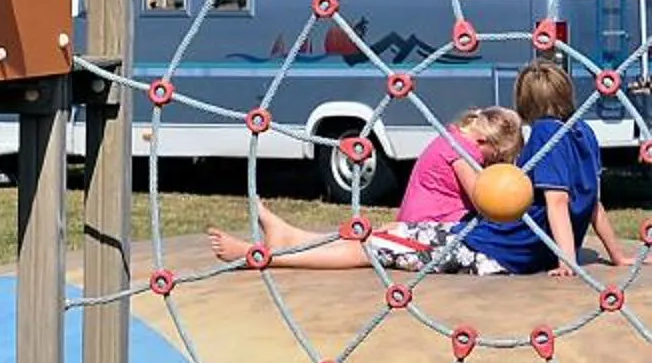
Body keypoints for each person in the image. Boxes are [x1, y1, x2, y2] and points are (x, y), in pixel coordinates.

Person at [206, 107, 522, 276]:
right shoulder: (466, 153)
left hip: (420, 227)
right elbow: (485, 200)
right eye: (496, 158)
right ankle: (267, 256)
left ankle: (291, 238)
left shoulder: (452, 137)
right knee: (364, 251)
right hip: (428, 230)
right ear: (486, 144)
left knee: (368, 240)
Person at [471, 63, 627, 276]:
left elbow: (557, 201)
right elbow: (593, 203)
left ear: (524, 100)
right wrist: (617, 256)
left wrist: (567, 262)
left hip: (509, 249)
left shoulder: (546, 132)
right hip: (537, 251)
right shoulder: (583, 131)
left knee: (420, 243)